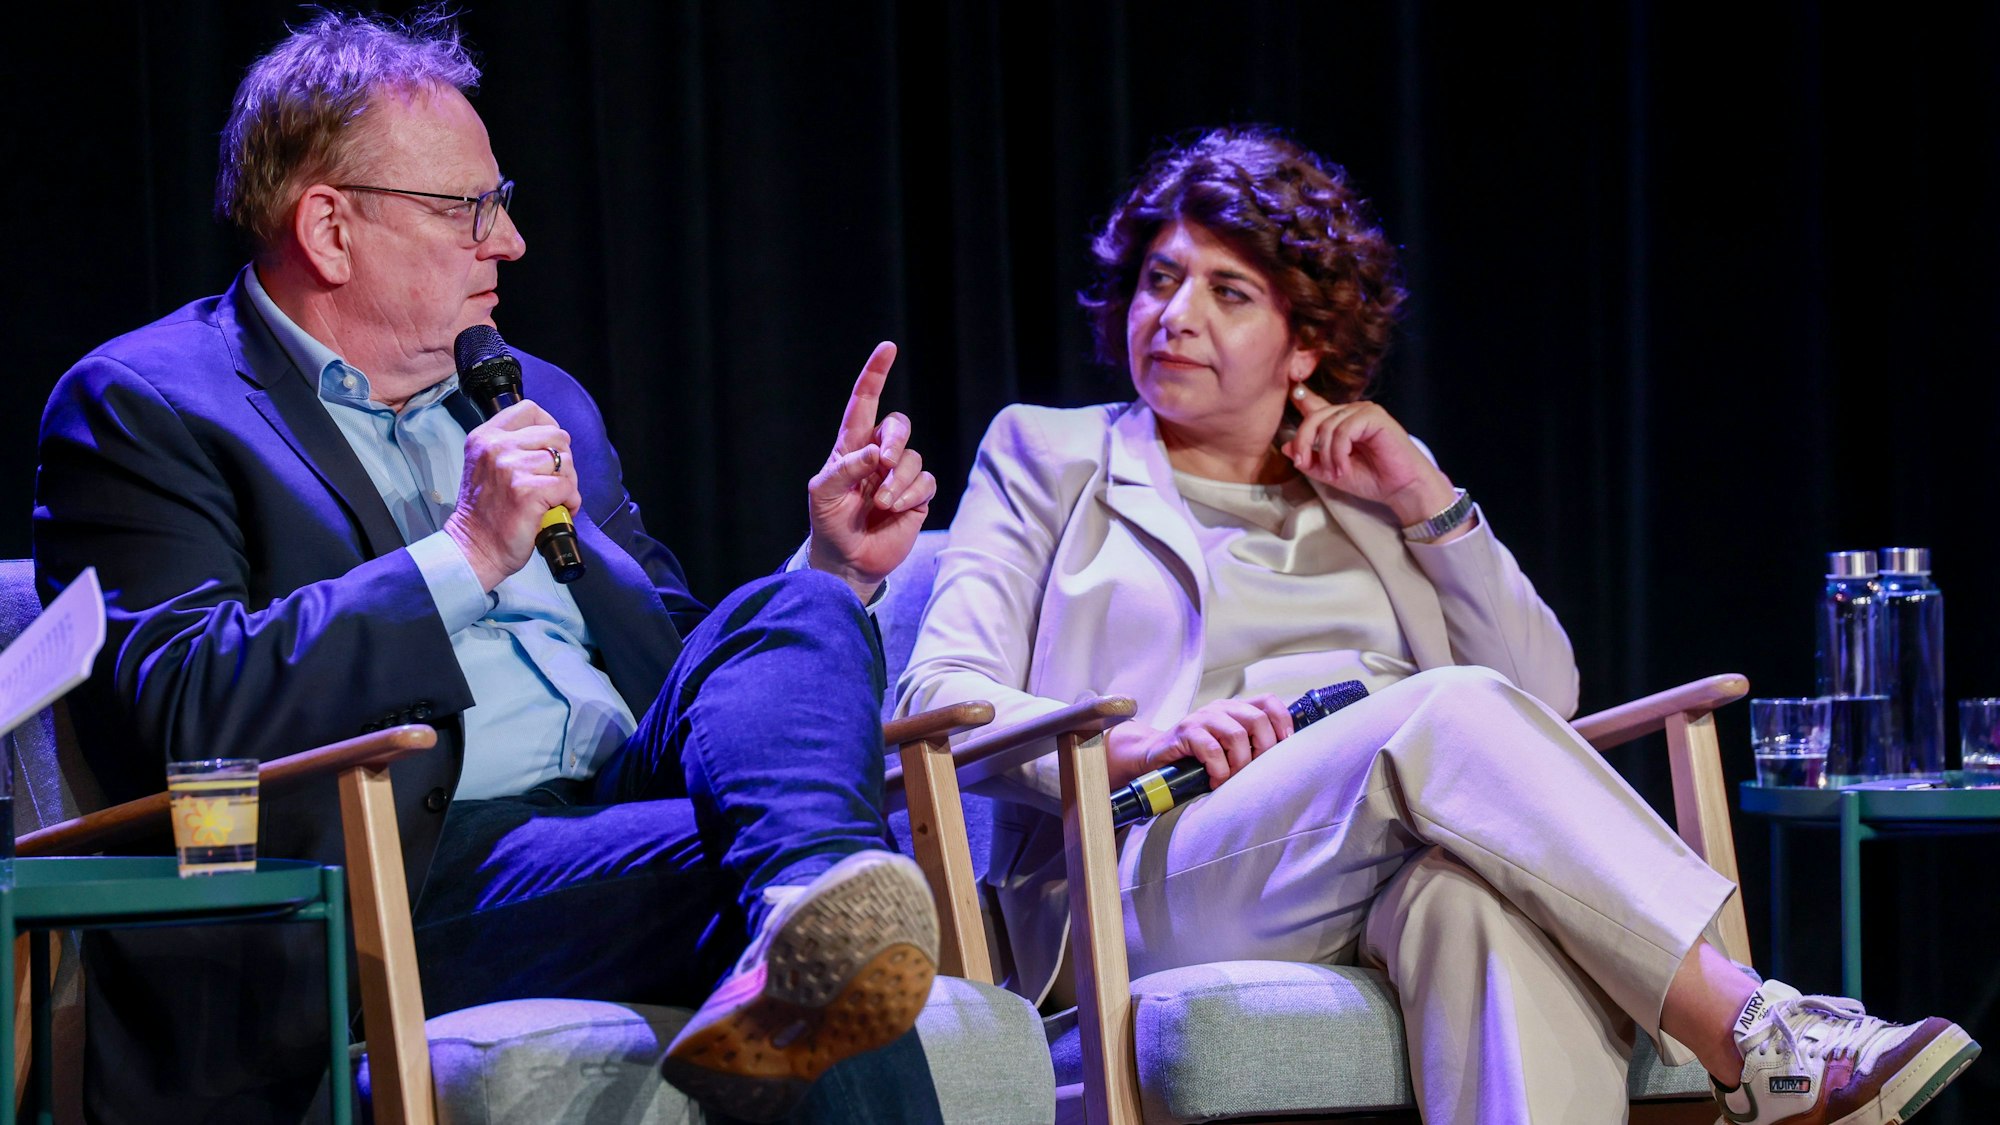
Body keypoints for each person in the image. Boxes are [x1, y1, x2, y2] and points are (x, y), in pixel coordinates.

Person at [897, 125, 1980, 1124]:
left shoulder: (1369, 500)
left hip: (1379, 847)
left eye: (1227, 291)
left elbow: (1541, 702)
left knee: (1473, 908)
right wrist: (1128, 741)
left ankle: (1766, 1052)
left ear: (1305, 345)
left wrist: (1424, 500)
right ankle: (1759, 1034)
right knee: (1448, 713)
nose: (1172, 314)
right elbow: (935, 694)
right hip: (1146, 854)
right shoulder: (1049, 454)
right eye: (1158, 279)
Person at [35, 10, 947, 1124]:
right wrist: (463, 552)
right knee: (803, 930)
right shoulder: (150, 404)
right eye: (468, 207)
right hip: (401, 870)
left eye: (499, 202)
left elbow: (676, 660)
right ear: (329, 227)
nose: (508, 239)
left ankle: (801, 886)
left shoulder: (537, 394)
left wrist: (829, 559)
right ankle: (799, 894)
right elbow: (183, 707)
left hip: (616, 806)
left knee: (794, 614)